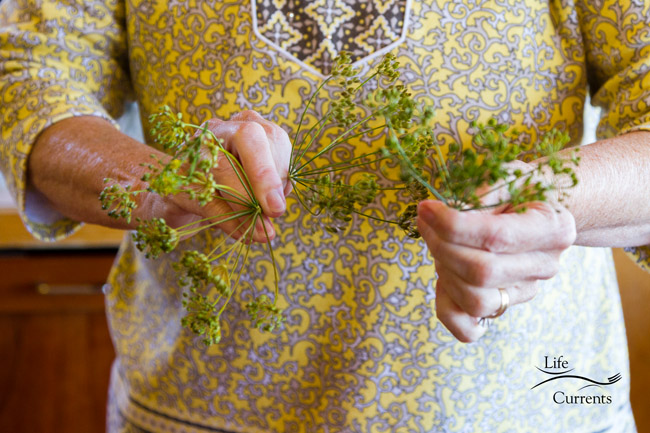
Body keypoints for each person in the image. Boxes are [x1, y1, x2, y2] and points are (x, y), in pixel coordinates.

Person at [1, 0, 649, 432]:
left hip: (530, 411)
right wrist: (162, 183)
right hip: (188, 410)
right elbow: (30, 70)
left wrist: (550, 204)